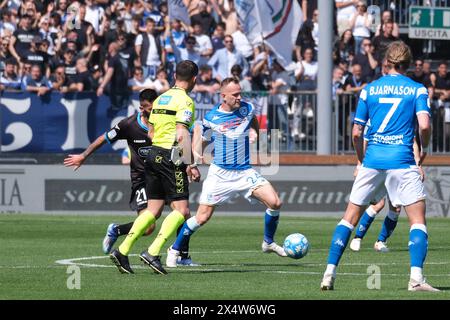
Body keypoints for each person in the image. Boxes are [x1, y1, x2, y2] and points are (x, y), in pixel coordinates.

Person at [320, 41, 438, 292]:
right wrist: (424, 149)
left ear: (386, 62)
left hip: (372, 159)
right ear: (408, 63)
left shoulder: (369, 89)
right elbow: (425, 126)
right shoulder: (417, 89)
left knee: (349, 218)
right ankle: (416, 279)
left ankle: (329, 273)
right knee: (417, 221)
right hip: (403, 160)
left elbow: (356, 131)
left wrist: (361, 159)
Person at [166, 77, 286, 268]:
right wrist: (191, 163)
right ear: (223, 96)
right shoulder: (212, 118)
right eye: (235, 94)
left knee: (275, 202)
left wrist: (255, 132)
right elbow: (199, 140)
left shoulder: (247, 108)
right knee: (202, 217)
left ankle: (268, 242)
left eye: (240, 93)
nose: (240, 97)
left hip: (245, 172)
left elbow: (253, 119)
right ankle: (174, 250)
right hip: (220, 175)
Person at [110, 60, 201, 275]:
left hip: (151, 155)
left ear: (175, 76)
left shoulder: (160, 99)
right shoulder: (185, 101)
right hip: (171, 156)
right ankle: (152, 252)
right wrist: (190, 163)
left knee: (153, 210)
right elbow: (181, 134)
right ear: (194, 79)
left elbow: (151, 132)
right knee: (182, 211)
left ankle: (122, 251)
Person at [63, 89, 159, 255]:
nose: (154, 112)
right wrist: (84, 156)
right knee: (149, 227)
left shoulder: (163, 122)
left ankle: (180, 254)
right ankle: (116, 230)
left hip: (160, 176)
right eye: (150, 109)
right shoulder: (128, 125)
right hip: (141, 179)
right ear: (142, 107)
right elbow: (104, 138)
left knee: (182, 210)